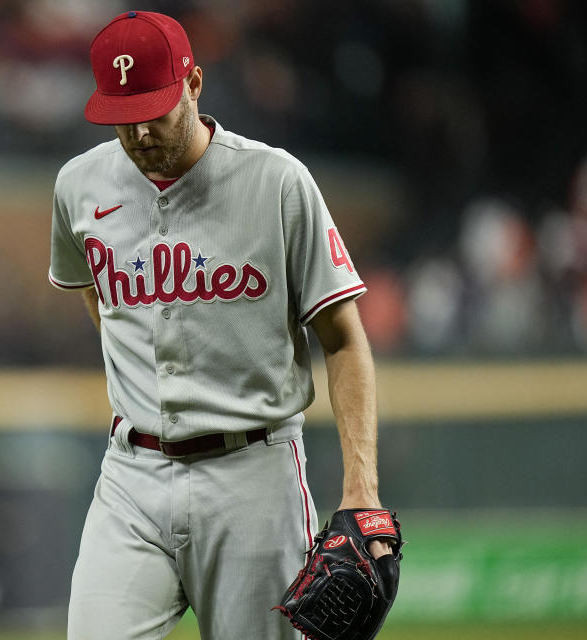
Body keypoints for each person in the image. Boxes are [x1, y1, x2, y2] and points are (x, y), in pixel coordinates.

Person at [49, 11, 391, 640]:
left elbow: (343, 338)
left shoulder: (278, 182)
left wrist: (360, 491)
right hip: (132, 476)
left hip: (252, 478)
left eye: (156, 106)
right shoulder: (78, 185)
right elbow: (100, 299)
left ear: (195, 83)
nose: (142, 129)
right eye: (124, 113)